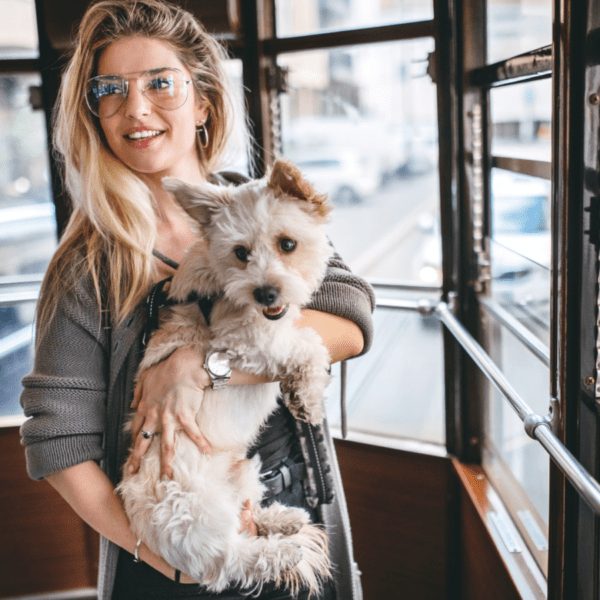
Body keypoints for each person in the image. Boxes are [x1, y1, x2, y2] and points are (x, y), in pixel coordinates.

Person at [20, 1, 375, 599]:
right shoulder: (87, 265)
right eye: (111, 89)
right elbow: (59, 445)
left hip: (290, 509)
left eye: (161, 83)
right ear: (95, 115)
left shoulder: (250, 200)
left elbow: (350, 317)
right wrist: (171, 565)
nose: (136, 108)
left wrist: (202, 368)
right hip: (173, 551)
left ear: (204, 103)